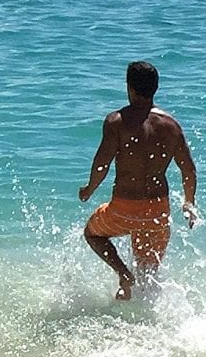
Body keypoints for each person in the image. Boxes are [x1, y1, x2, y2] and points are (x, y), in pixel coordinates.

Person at [80, 60, 197, 300]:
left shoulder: (116, 122)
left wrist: (89, 190)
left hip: (123, 208)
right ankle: (144, 316)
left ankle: (124, 275)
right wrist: (188, 203)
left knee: (92, 234)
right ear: (156, 88)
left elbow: (102, 163)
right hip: (158, 212)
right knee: (148, 274)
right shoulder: (171, 126)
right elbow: (188, 170)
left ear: (130, 88)